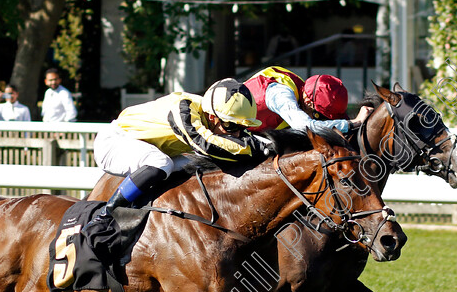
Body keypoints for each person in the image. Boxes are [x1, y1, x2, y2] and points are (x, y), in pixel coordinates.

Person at [90, 78, 270, 227]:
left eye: (242, 127)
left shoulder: (215, 115)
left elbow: (245, 141)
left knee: (200, 166)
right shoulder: (183, 108)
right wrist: (258, 147)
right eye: (231, 126)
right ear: (213, 117)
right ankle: (105, 215)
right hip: (114, 143)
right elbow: (205, 143)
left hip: (148, 148)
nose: (237, 133)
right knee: (161, 163)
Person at [243, 66, 371, 134]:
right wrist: (354, 123)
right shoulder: (282, 96)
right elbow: (307, 127)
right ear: (309, 103)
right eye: (321, 117)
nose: (322, 121)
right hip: (227, 132)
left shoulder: (306, 92)